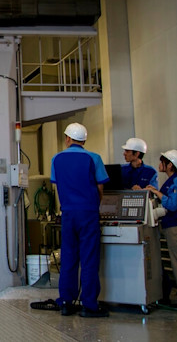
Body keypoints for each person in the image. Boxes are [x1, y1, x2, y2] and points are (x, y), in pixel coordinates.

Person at [31, 123, 110, 317]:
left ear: (67, 139)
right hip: (89, 213)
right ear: (84, 140)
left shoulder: (57, 159)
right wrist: (91, 205)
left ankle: (66, 301)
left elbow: (58, 187)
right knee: (89, 259)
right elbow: (100, 189)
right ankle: (89, 305)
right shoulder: (94, 158)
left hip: (67, 214)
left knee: (68, 258)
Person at [147, 150, 177, 309]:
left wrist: (156, 192)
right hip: (170, 227)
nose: (160, 165)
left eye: (162, 162)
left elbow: (172, 204)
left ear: (170, 165)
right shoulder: (171, 181)